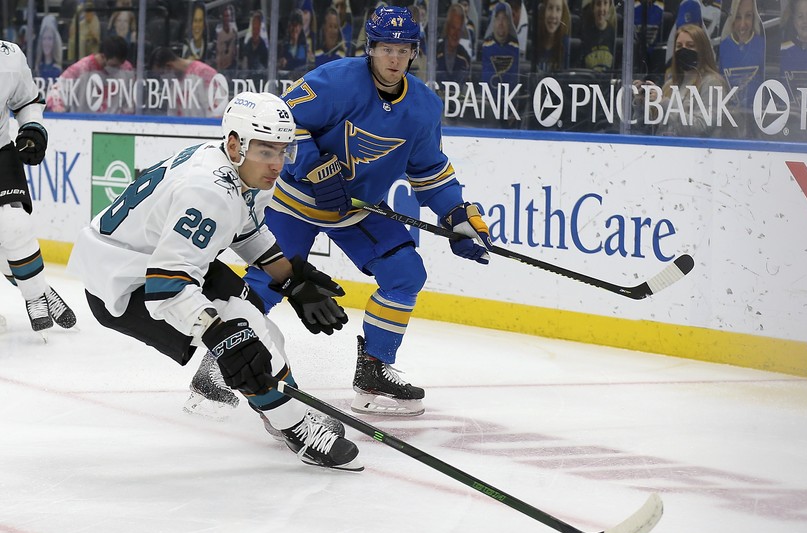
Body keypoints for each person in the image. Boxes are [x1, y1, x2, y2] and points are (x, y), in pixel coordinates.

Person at [66, 91, 361, 471]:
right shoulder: (209, 191)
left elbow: (246, 229)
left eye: (283, 151)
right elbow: (166, 287)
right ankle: (296, 427)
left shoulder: (232, 166)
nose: (276, 164)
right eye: (266, 151)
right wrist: (219, 336)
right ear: (236, 143)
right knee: (248, 335)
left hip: (146, 260)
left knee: (253, 318)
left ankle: (277, 409)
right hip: (122, 284)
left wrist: (292, 281)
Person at [241, 6, 492, 417]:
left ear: (414, 53)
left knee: (406, 274)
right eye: (386, 49)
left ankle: (373, 371)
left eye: (403, 50)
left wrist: (457, 214)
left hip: (358, 210)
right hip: (296, 203)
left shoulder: (424, 107)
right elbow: (283, 124)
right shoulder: (335, 81)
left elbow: (429, 171)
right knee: (266, 282)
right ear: (370, 49)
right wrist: (312, 166)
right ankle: (223, 365)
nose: (394, 59)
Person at [0, 39, 77, 333]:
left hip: (0, 150)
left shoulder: (8, 57)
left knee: (14, 225)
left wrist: (32, 128)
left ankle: (34, 297)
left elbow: (27, 102)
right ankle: (40, 288)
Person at [634, 24, 732, 137]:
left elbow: (701, 127)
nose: (684, 50)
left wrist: (664, 102)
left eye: (690, 46)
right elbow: (647, 129)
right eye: (679, 46)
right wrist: (642, 104)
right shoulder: (670, 84)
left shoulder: (712, 83)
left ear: (702, 50)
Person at [45, 35, 135, 114]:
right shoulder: (81, 68)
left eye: (120, 65)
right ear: (103, 56)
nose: (117, 69)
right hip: (81, 124)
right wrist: (58, 107)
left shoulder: (126, 69)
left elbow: (129, 103)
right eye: (113, 66)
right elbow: (56, 91)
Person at [148, 47, 221, 118]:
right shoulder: (173, 84)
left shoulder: (204, 73)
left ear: (169, 66)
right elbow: (172, 115)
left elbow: (217, 111)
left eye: (162, 73)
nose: (162, 78)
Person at [719, 0, 765, 109]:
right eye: (738, 17)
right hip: (728, 116)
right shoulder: (723, 47)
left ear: (754, 16)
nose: (743, 24)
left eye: (748, 16)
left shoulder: (763, 45)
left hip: (756, 116)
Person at [480, 1, 520, 88]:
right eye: (498, 18)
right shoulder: (486, 46)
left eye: (504, 19)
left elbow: (513, 79)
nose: (501, 23)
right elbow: (486, 79)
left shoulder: (514, 46)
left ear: (509, 22)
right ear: (493, 22)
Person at [435, 3, 472, 85]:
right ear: (447, 27)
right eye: (453, 28)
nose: (455, 34)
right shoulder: (435, 52)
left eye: (459, 30)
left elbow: (467, 87)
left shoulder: (465, 57)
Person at [579, 0, 617, 72]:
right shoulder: (583, 33)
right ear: (593, 8)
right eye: (598, 4)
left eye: (605, 3)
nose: (601, 9)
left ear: (609, 7)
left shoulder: (614, 34)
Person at [535, 0, 570, 73]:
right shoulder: (534, 40)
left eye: (558, 9)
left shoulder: (565, 44)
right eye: (550, 8)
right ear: (544, 10)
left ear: (562, 14)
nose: (553, 15)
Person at [33, 15, 64, 82]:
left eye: (50, 39)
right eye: (44, 39)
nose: (46, 43)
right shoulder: (38, 69)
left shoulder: (57, 70)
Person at [279, 9, 310, 74]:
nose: (294, 28)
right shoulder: (282, 46)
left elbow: (302, 64)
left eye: (297, 25)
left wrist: (288, 62)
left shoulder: (305, 47)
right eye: (292, 25)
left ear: (301, 27)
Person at [240, 10, 269, 77]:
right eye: (254, 28)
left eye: (257, 29)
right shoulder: (247, 45)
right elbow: (244, 65)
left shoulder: (263, 47)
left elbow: (265, 67)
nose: (255, 32)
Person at [214, 4, 238, 73]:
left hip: (231, 67)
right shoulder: (219, 33)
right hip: (220, 66)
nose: (227, 18)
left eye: (228, 16)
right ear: (222, 17)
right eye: (225, 16)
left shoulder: (234, 32)